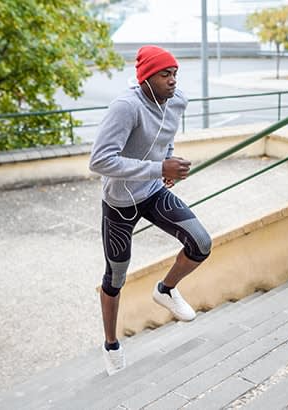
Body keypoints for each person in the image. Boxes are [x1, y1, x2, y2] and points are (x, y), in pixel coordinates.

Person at [89, 45, 212, 376]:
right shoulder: (126, 107)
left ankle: (166, 290)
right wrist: (160, 167)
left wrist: (167, 163)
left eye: (175, 74)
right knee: (116, 276)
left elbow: (166, 136)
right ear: (145, 78)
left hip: (153, 191)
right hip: (120, 202)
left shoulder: (177, 100)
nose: (172, 81)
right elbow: (99, 161)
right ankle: (111, 345)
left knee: (200, 242)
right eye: (165, 75)